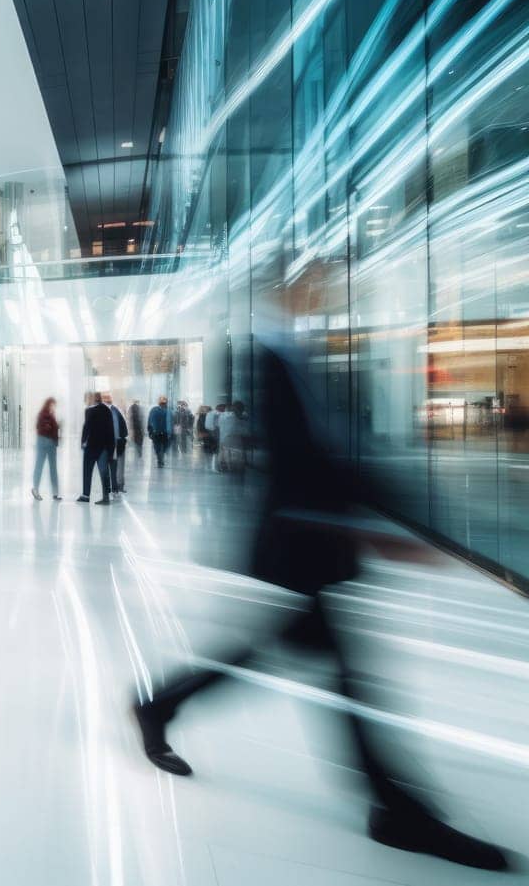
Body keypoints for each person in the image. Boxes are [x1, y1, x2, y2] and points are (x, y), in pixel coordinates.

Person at [132, 339, 512, 872]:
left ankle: (159, 706)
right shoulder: (269, 353)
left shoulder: (298, 352)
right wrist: (370, 523)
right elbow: (300, 460)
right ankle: (393, 806)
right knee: (343, 674)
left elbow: (336, 448)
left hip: (313, 544)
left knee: (288, 656)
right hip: (304, 542)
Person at [76, 392, 114, 505]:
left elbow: (86, 428)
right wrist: (111, 448)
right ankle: (106, 497)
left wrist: (83, 442)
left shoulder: (89, 411)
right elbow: (110, 430)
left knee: (87, 470)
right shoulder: (107, 410)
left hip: (91, 446)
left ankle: (86, 495)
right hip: (103, 447)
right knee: (104, 472)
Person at [31, 397, 61, 501]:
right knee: (41, 466)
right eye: (52, 404)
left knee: (51, 468)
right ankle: (36, 489)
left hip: (49, 443)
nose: (54, 407)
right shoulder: (45, 414)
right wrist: (55, 426)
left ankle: (55, 493)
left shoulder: (49, 414)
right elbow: (45, 428)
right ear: (48, 404)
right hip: (45, 442)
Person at [104, 392, 128, 494]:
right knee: (118, 466)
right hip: (118, 442)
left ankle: (112, 487)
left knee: (110, 466)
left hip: (112, 443)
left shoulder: (108, 411)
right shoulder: (116, 411)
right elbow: (124, 429)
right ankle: (117, 486)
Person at [147, 396, 172, 467]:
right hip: (158, 432)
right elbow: (150, 421)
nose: (164, 404)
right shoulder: (155, 410)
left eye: (164, 403)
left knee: (162, 447)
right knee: (158, 447)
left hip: (163, 432)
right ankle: (160, 459)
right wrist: (150, 431)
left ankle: (160, 458)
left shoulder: (168, 411)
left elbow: (171, 421)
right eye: (162, 403)